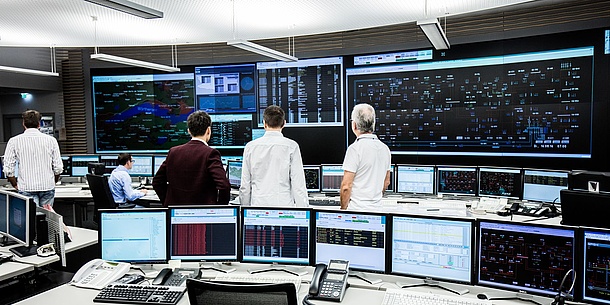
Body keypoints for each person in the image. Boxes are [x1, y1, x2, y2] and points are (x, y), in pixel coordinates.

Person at [152, 110, 230, 206]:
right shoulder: (210, 153)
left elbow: (157, 182)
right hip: (202, 215)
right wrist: (219, 209)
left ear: (189, 131)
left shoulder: (173, 152)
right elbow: (224, 186)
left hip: (176, 215)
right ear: (208, 130)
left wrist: (168, 203)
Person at [239, 105, 308, 207]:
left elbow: (245, 185)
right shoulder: (291, 146)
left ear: (264, 123)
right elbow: (298, 184)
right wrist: (304, 212)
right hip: (284, 208)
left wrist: (244, 209)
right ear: (284, 123)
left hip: (257, 208)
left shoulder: (250, 147)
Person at [3, 109, 63, 208]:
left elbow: (8, 169)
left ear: (23, 123)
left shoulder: (14, 141)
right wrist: (53, 181)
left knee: (31, 220)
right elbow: (58, 168)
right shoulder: (51, 140)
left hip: (26, 187)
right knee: (48, 219)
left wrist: (15, 184)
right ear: (39, 123)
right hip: (47, 186)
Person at [340, 103, 391, 210]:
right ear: (373, 124)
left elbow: (346, 187)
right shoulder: (385, 148)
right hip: (378, 211)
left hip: (357, 212)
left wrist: (343, 210)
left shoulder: (355, 149)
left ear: (354, 125)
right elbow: (386, 182)